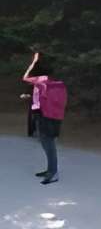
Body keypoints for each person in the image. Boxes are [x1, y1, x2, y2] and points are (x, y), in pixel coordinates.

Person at [23, 53, 63, 185]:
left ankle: (54, 173)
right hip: (48, 116)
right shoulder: (55, 83)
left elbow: (25, 77)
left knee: (49, 146)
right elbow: (43, 99)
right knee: (47, 144)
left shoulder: (43, 81)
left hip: (46, 117)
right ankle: (50, 170)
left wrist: (33, 62)